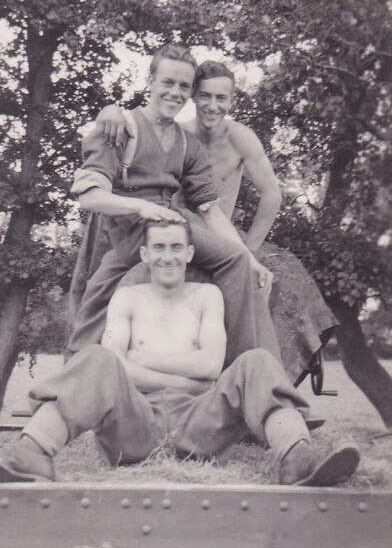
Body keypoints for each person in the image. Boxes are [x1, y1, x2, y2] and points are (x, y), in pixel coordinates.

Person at [0, 219, 360, 486]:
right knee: (97, 359)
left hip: (199, 424)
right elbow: (111, 365)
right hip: (135, 425)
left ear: (189, 254)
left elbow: (208, 367)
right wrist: (180, 375)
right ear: (145, 255)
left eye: (176, 248)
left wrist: (139, 363)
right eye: (159, 248)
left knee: (256, 361)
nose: (167, 256)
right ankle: (31, 454)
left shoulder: (208, 295)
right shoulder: (127, 298)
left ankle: (298, 457)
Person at [93, 60, 337, 382]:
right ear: (193, 96)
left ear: (232, 100)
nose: (212, 106)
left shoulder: (241, 138)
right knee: (105, 282)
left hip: (221, 230)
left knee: (280, 281)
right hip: (176, 226)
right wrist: (108, 110)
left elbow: (272, 196)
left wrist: (249, 250)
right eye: (205, 96)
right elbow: (136, 129)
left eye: (221, 98)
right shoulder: (178, 135)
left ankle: (276, 380)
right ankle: (98, 369)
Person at [66, 44, 278, 369]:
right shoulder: (122, 128)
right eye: (168, 83)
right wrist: (139, 209)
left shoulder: (186, 142)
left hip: (171, 225)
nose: (175, 93)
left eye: (184, 86)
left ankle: (249, 375)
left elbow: (209, 208)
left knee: (237, 261)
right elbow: (89, 197)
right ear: (150, 81)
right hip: (134, 229)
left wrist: (251, 259)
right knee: (99, 294)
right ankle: (249, 372)